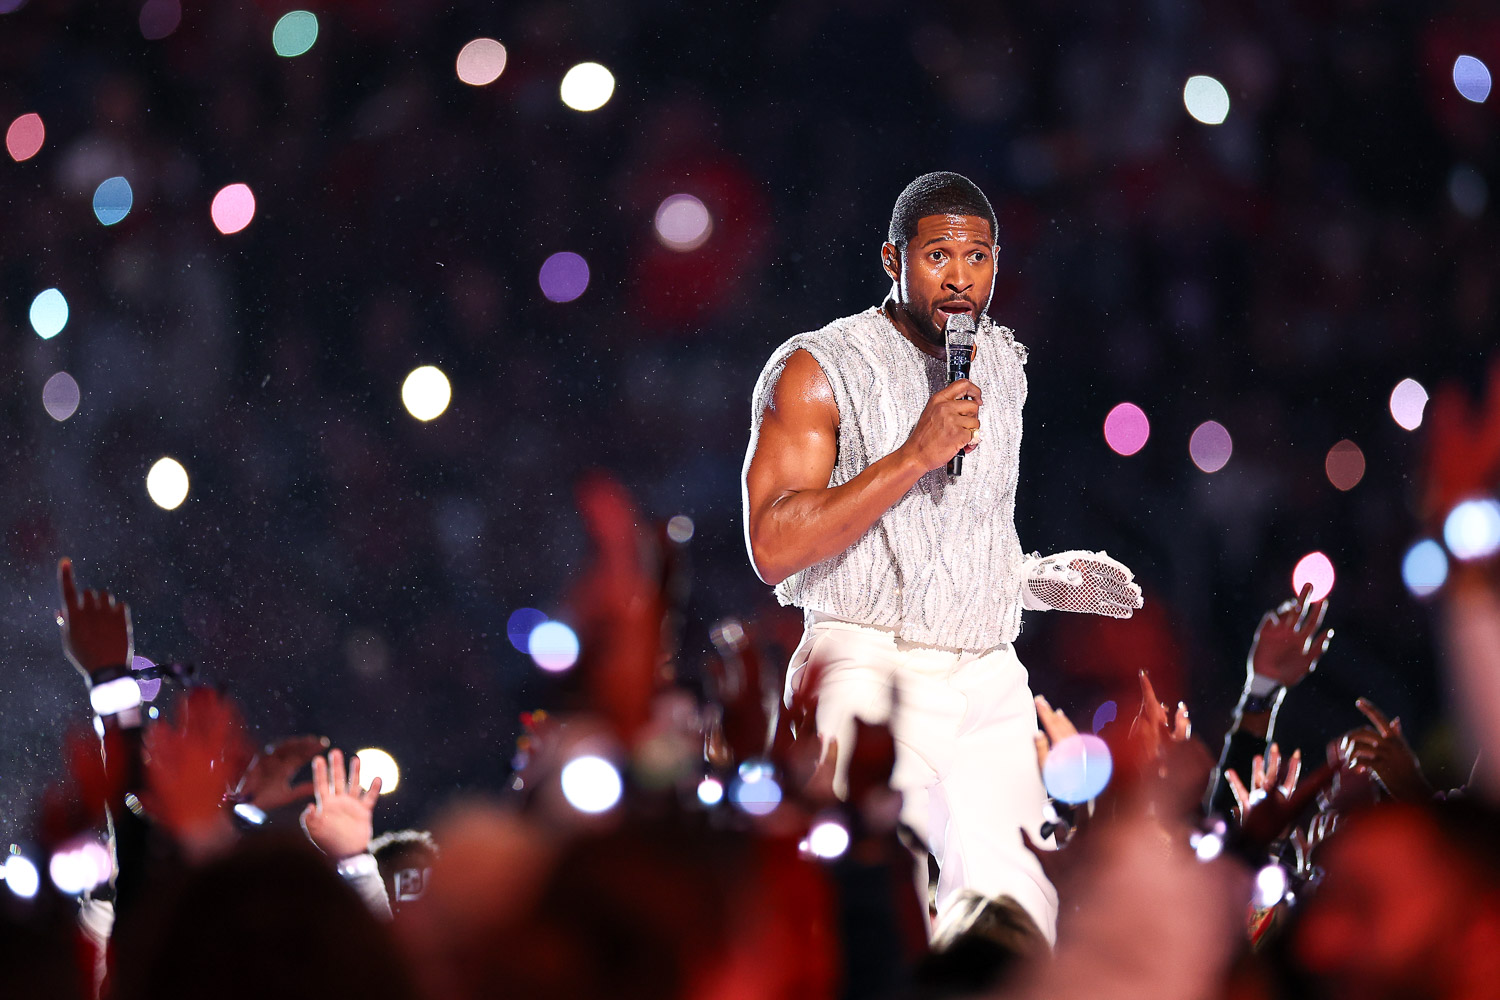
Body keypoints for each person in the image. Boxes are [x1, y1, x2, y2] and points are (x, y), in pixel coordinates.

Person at [741, 171, 1144, 942]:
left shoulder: (1002, 364)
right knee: (873, 909)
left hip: (987, 671)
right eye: (938, 256)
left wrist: (1029, 580)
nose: (960, 277)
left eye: (979, 256)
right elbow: (774, 546)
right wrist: (911, 456)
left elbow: (954, 535)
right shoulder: (818, 368)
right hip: (867, 665)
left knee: (1022, 917)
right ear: (892, 259)